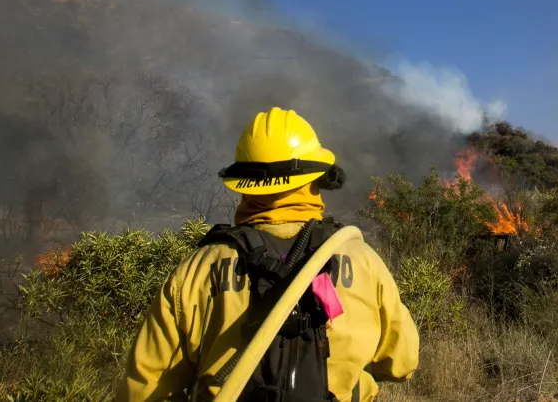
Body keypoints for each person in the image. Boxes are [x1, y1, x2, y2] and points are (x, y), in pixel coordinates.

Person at [117, 107, 420, 402]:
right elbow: (402, 363)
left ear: (244, 185)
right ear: (316, 179)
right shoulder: (363, 261)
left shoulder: (198, 270)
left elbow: (143, 391)